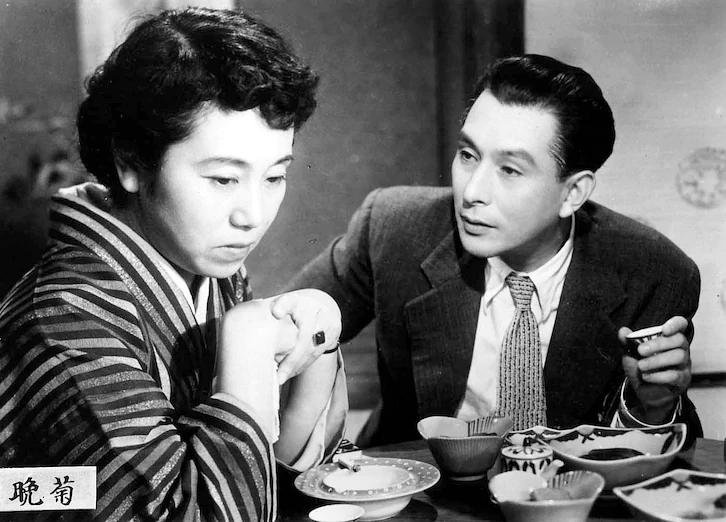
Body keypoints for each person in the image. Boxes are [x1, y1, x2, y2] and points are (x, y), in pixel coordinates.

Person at [0, 8, 347, 521]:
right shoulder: (65, 320)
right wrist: (245, 348)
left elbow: (264, 474)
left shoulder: (201, 261)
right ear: (130, 162)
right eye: (223, 179)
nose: (252, 215)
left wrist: (315, 336)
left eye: (274, 177)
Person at [287, 54, 702, 448]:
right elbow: (279, 333)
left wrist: (653, 406)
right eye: (468, 155)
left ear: (573, 193)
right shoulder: (393, 229)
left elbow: (669, 452)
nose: (472, 192)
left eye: (510, 170)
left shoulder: (654, 272)